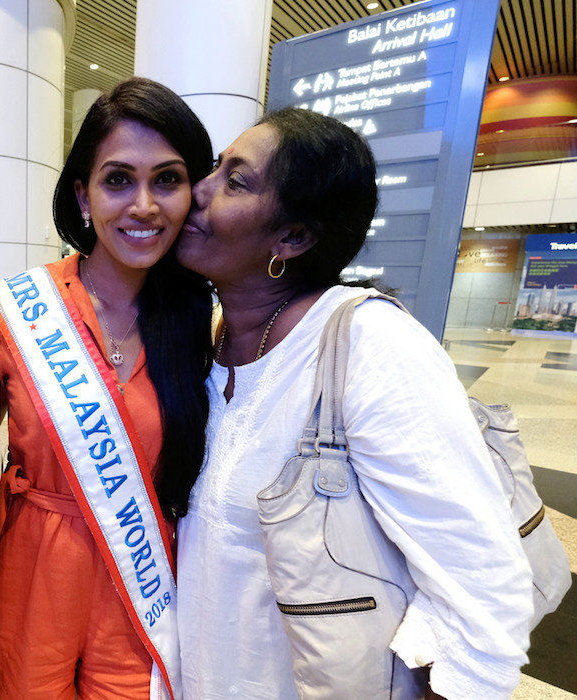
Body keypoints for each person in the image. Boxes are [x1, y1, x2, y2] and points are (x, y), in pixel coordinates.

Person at [174, 107, 533, 700]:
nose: (199, 190)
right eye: (215, 167)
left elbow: (483, 578)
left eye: (235, 181)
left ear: (293, 237)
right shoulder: (206, 340)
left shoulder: (368, 344)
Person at [0, 77, 213, 699]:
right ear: (83, 196)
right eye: (118, 180)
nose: (144, 205)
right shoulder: (15, 313)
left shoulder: (203, 326)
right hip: (34, 574)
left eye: (167, 179)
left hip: (139, 575)